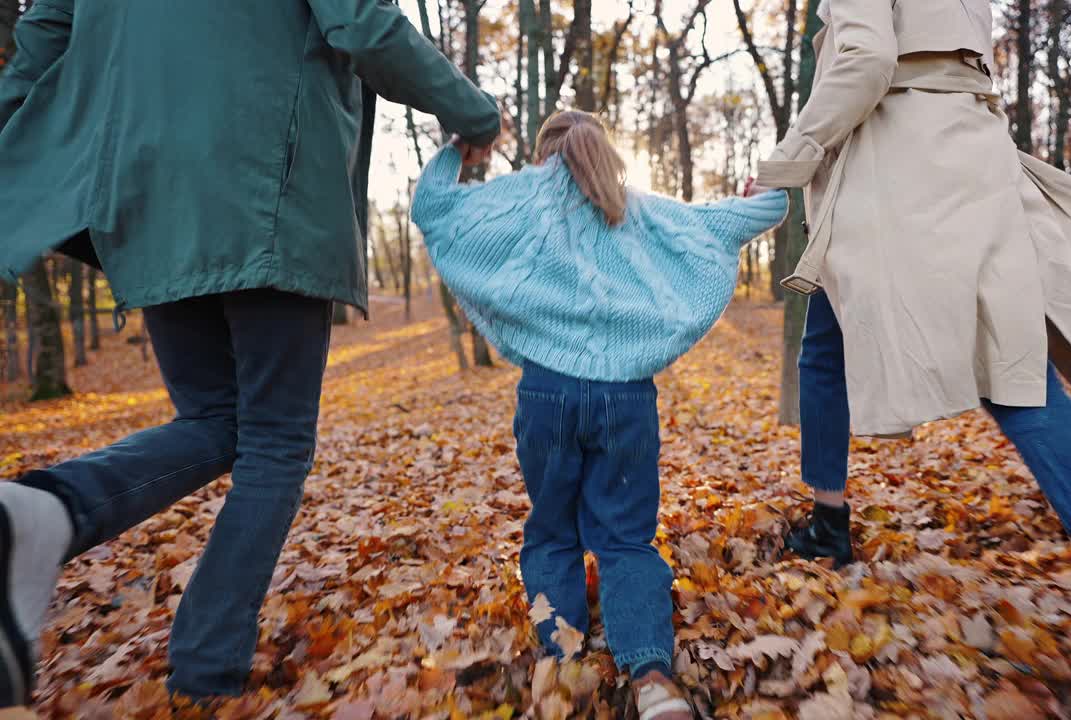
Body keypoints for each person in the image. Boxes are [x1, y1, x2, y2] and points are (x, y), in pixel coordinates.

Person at [756, 0, 1071, 718]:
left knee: (884, 349)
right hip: (974, 153)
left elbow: (866, 61)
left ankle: (829, 527)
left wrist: (787, 159)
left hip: (899, 168)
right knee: (996, 361)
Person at [0, 0, 500, 706]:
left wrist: (15, 151)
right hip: (267, 168)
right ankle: (204, 669)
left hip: (144, 183)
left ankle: (38, 515)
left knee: (213, 419)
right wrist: (474, 114)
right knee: (275, 440)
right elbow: (357, 20)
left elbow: (44, 34)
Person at [411, 111, 789, 720]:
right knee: (625, 539)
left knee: (551, 530)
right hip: (626, 398)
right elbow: (737, 220)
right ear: (601, 149)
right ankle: (654, 681)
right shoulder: (639, 208)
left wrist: (462, 152)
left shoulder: (514, 202)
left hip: (546, 395)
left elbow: (433, 210)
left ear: (543, 155)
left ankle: (558, 662)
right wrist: (761, 198)